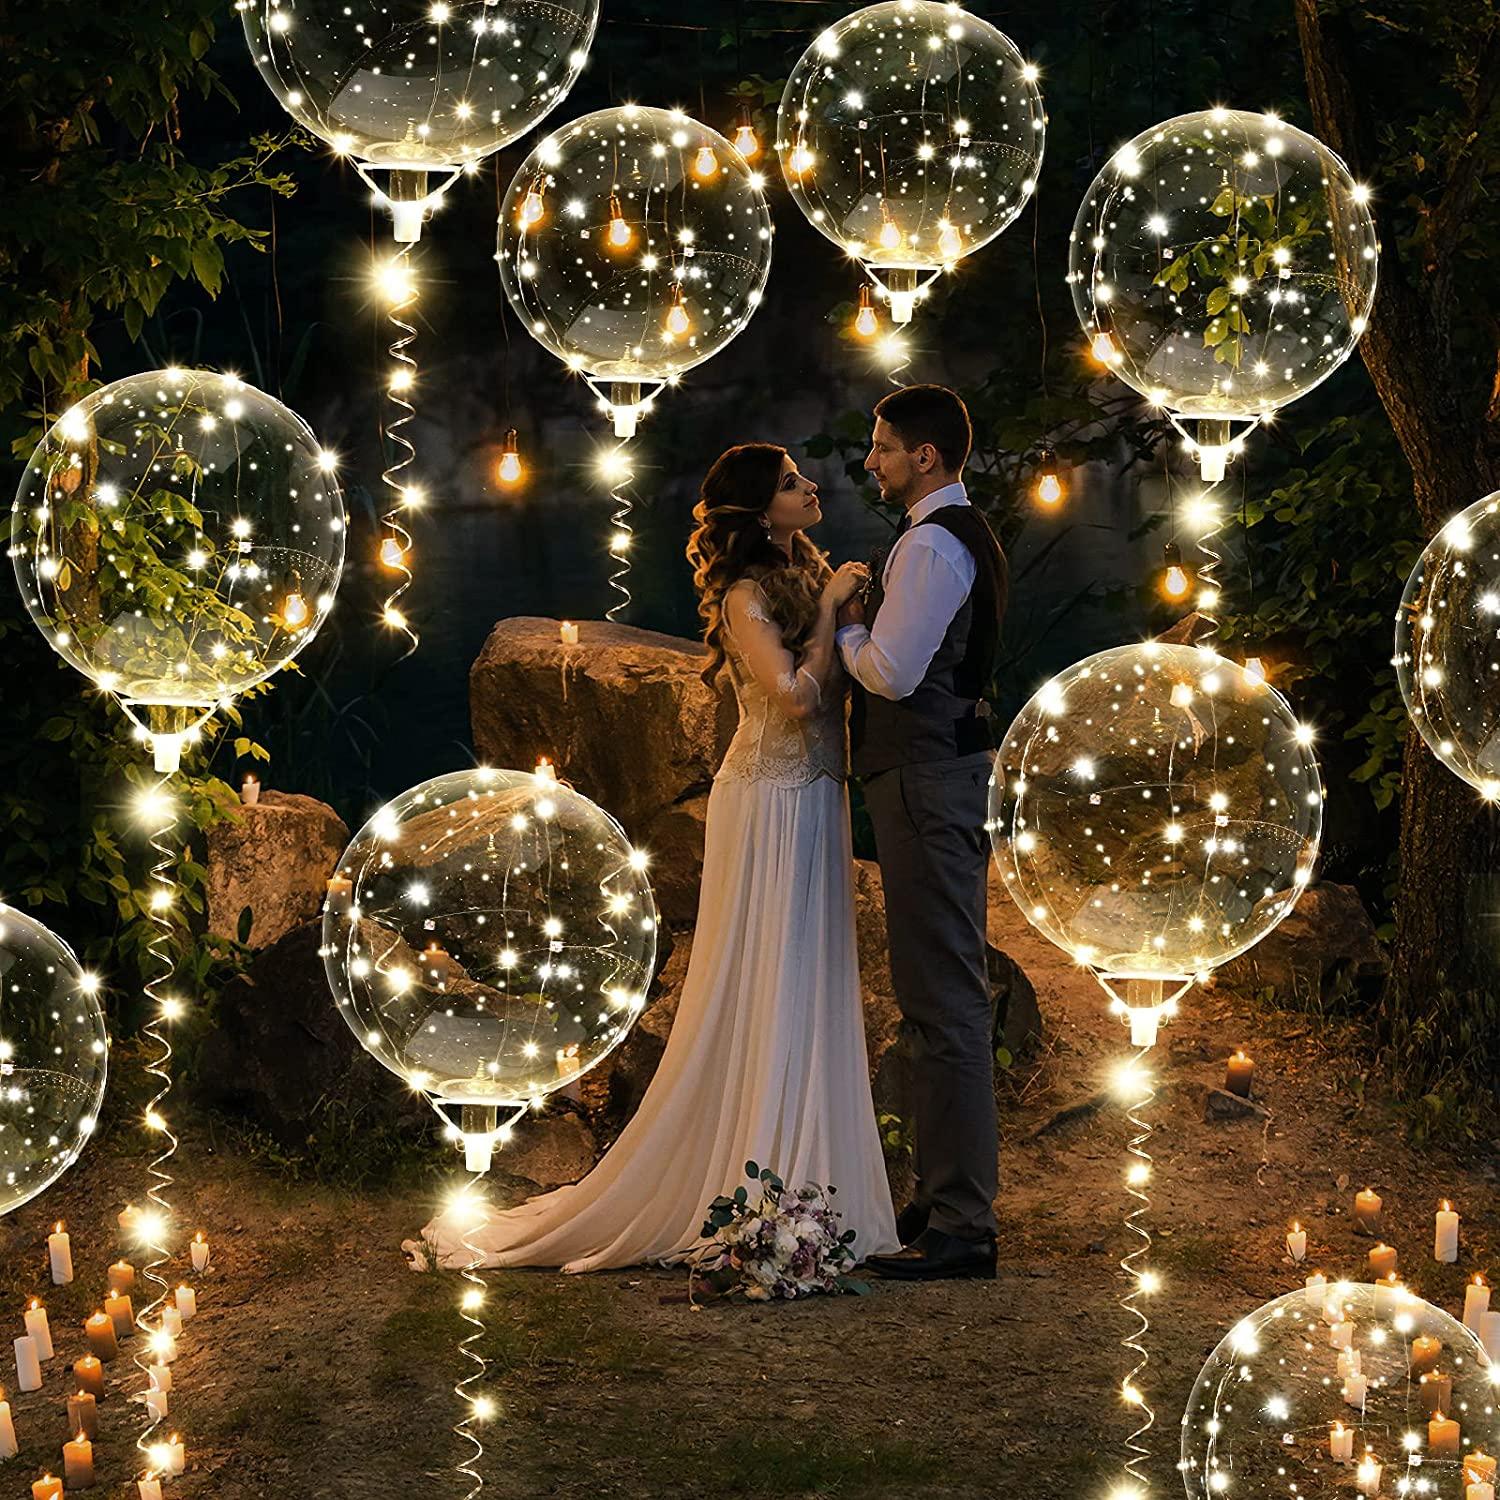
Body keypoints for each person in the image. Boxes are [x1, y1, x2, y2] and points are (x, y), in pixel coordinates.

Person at [420, 443, 898, 1271]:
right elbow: (791, 700)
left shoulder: (805, 569)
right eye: (791, 483)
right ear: (756, 511)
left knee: (814, 974)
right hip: (769, 800)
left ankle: (820, 1189)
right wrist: (826, 615)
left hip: (818, 795)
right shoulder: (748, 595)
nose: (811, 486)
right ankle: (760, 1185)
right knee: (770, 975)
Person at [826, 384, 1008, 1282]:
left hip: (929, 780)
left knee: (943, 998)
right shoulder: (949, 535)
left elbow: (893, 675)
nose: (872, 460)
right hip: (935, 776)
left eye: (883, 447)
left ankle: (964, 1223)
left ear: (924, 457)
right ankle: (943, 1200)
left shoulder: (933, 544)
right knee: (934, 993)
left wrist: (849, 625)